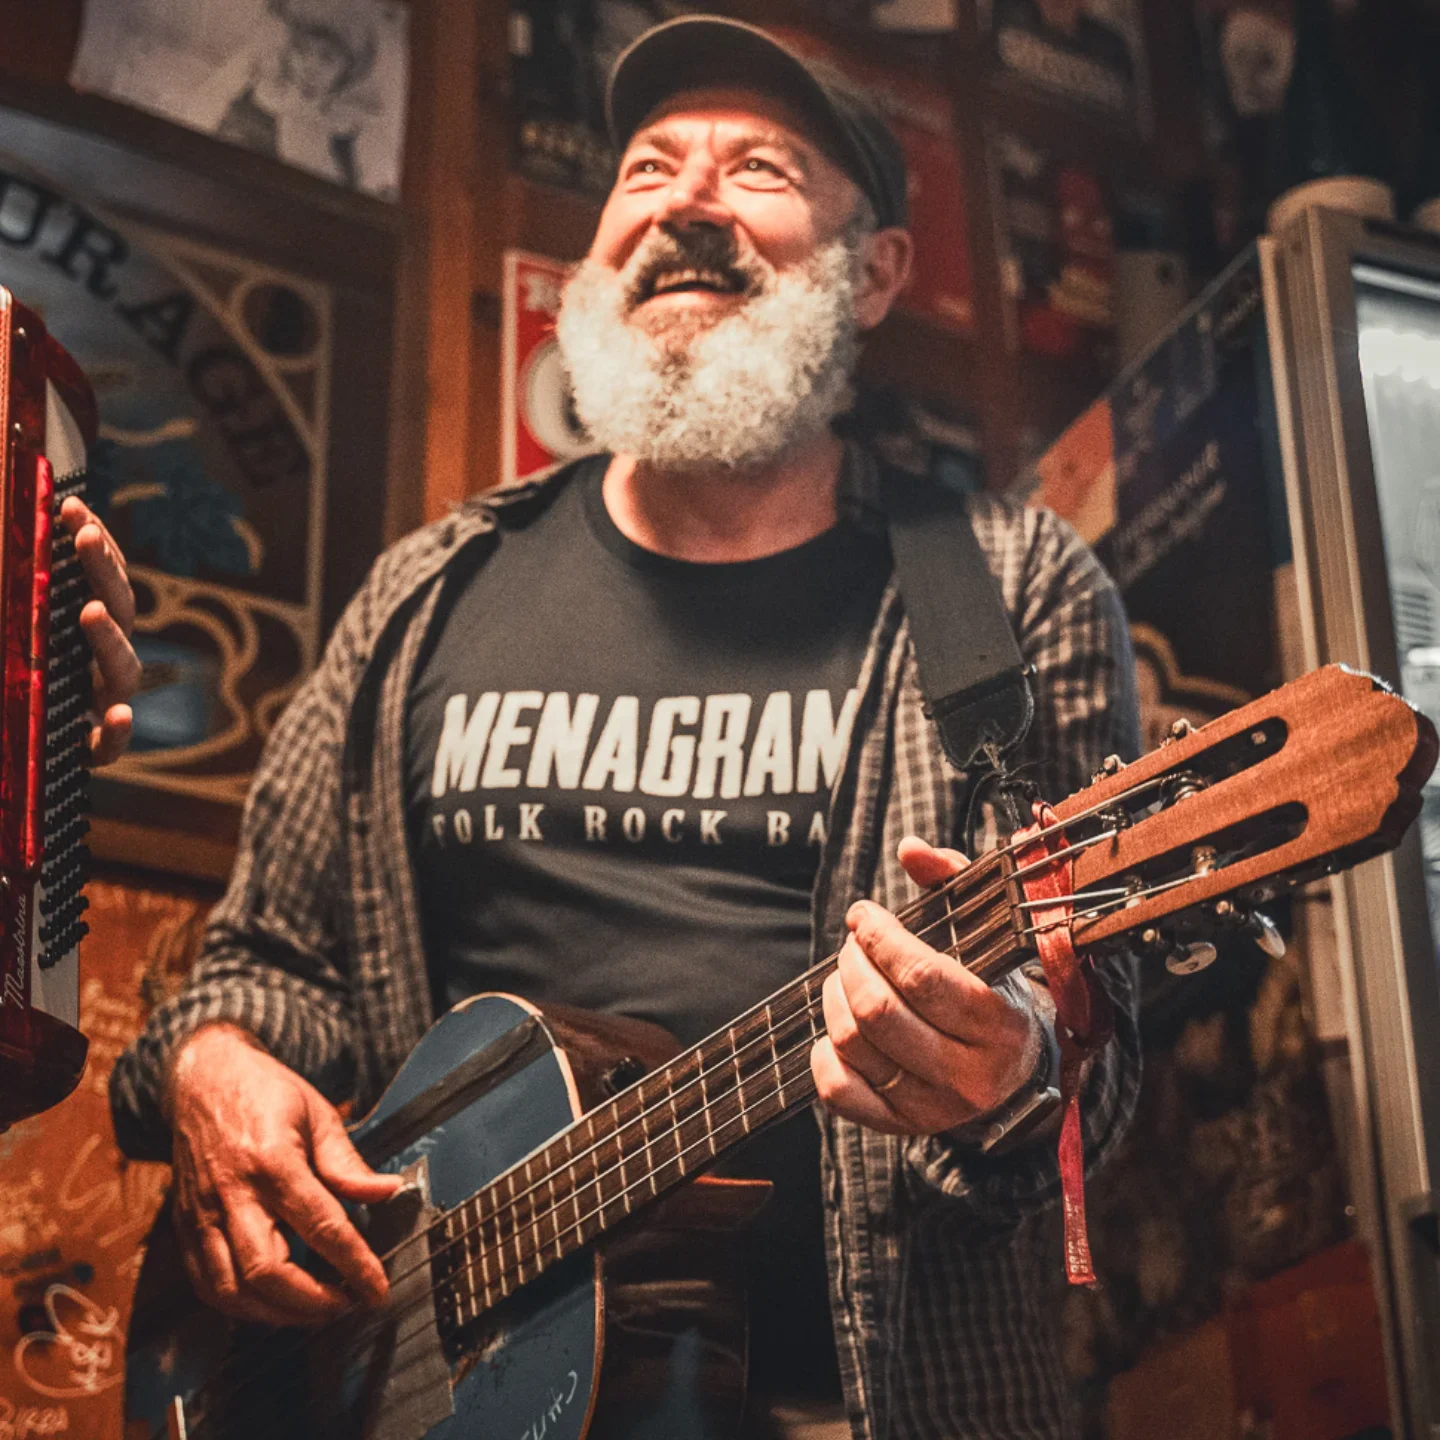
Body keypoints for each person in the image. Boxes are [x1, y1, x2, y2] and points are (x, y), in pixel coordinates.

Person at [110, 17, 1141, 1439]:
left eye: (760, 169)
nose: (687, 204)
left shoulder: (1012, 592)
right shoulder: (427, 594)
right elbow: (270, 964)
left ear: (878, 270)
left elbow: (1107, 1039)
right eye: (647, 167)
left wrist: (1014, 1067)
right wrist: (216, 1061)